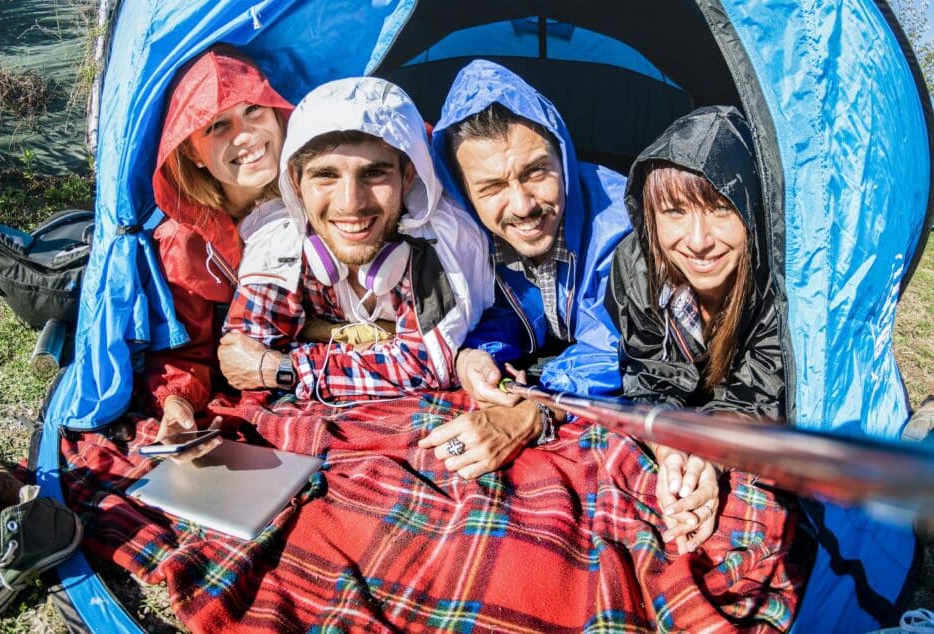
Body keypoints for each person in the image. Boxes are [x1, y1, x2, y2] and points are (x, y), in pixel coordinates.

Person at [218, 77, 493, 400]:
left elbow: (424, 365)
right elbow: (241, 354)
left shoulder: (440, 239)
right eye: (326, 176)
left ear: (407, 176)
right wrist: (381, 342)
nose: (351, 203)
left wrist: (285, 366)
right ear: (295, 180)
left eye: (373, 174)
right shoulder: (278, 240)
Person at [424, 59, 631, 478]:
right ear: (465, 193)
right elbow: (506, 308)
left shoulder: (621, 223)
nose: (522, 206)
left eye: (536, 172)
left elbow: (623, 344)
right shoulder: (467, 234)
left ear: (563, 156)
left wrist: (537, 405)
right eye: (493, 187)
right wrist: (478, 354)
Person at [606, 105, 785, 553]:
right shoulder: (635, 266)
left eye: (721, 208)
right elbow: (648, 373)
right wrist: (670, 451)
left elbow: (761, 392)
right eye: (674, 211)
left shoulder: (779, 286)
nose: (699, 240)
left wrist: (710, 455)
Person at [146, 45, 293, 457]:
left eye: (254, 111)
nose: (245, 136)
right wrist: (176, 407)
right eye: (217, 127)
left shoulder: (319, 180)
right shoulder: (188, 241)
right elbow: (186, 350)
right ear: (191, 152)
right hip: (263, 376)